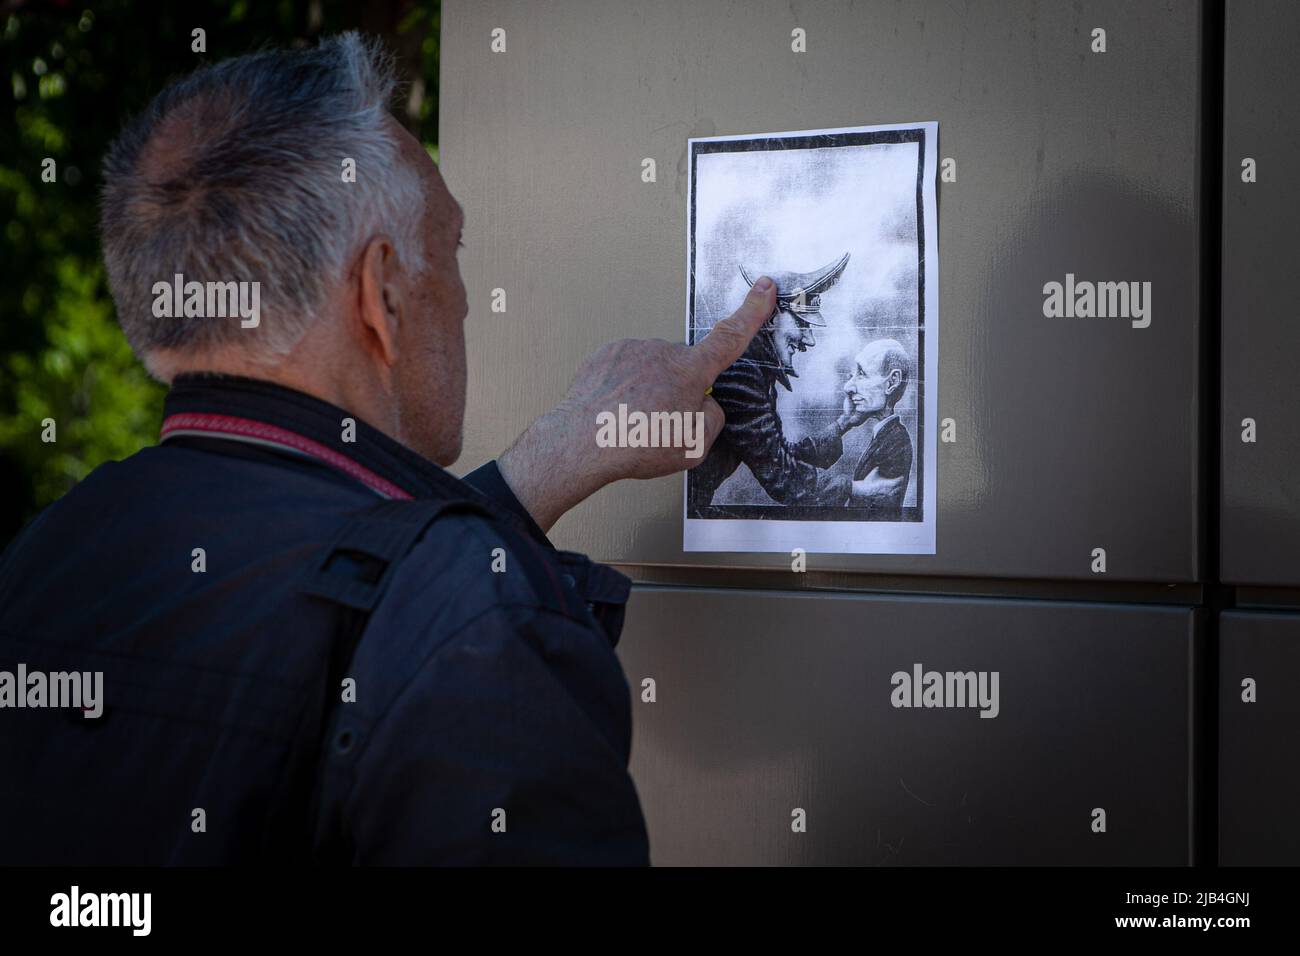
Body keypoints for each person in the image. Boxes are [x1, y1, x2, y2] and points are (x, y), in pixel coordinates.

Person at [0, 34, 779, 865]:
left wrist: (548, 461)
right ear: (380, 295)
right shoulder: (480, 631)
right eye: (451, 250)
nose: (470, 299)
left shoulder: (47, 556)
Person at [687, 252, 863, 512]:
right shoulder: (741, 372)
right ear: (770, 319)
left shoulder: (755, 371)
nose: (809, 339)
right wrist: (854, 489)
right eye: (802, 323)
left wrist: (843, 424)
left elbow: (780, 453)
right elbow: (780, 474)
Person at [842, 338, 914, 516]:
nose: (848, 387)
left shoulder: (896, 441)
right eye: (851, 376)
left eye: (861, 373)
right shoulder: (886, 434)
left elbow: (873, 514)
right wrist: (846, 420)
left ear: (891, 382)